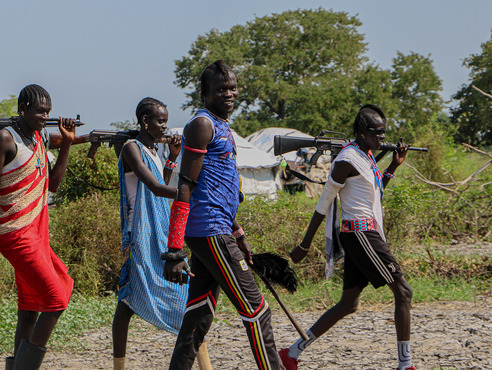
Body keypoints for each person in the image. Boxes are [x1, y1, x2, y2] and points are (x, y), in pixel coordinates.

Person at [162, 60, 282, 369]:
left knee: (199, 313)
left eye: (232, 88)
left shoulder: (222, 126)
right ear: (204, 94)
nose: (228, 93)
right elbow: (185, 187)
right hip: (209, 231)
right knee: (257, 310)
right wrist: (174, 251)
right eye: (220, 89)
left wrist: (238, 233)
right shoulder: (202, 125)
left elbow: (217, 192)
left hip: (217, 229)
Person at [279, 105, 415, 370]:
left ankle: (291, 354)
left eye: (384, 133)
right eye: (377, 133)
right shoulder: (346, 160)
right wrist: (305, 244)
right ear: (362, 132)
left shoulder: (366, 156)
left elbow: (372, 194)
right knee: (404, 292)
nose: (382, 139)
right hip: (360, 234)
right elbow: (324, 203)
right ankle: (405, 365)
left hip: (365, 233)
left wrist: (393, 166)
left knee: (348, 304)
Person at [112, 97, 211, 370]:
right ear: (145, 121)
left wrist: (175, 158)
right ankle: (118, 366)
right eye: (160, 121)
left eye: (165, 121)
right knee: (127, 304)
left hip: (159, 231)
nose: (165, 127)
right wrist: (191, 194)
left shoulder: (153, 150)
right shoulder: (132, 149)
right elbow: (155, 188)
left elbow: (162, 185)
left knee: (185, 297)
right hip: (138, 235)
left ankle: (205, 365)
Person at [0, 84, 76, 370]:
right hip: (14, 233)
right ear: (22, 109)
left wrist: (68, 144)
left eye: (47, 111)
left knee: (29, 309)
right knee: (56, 298)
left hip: (37, 233)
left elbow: (54, 185)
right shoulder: (4, 140)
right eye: (38, 111)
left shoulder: (39, 137)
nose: (43, 116)